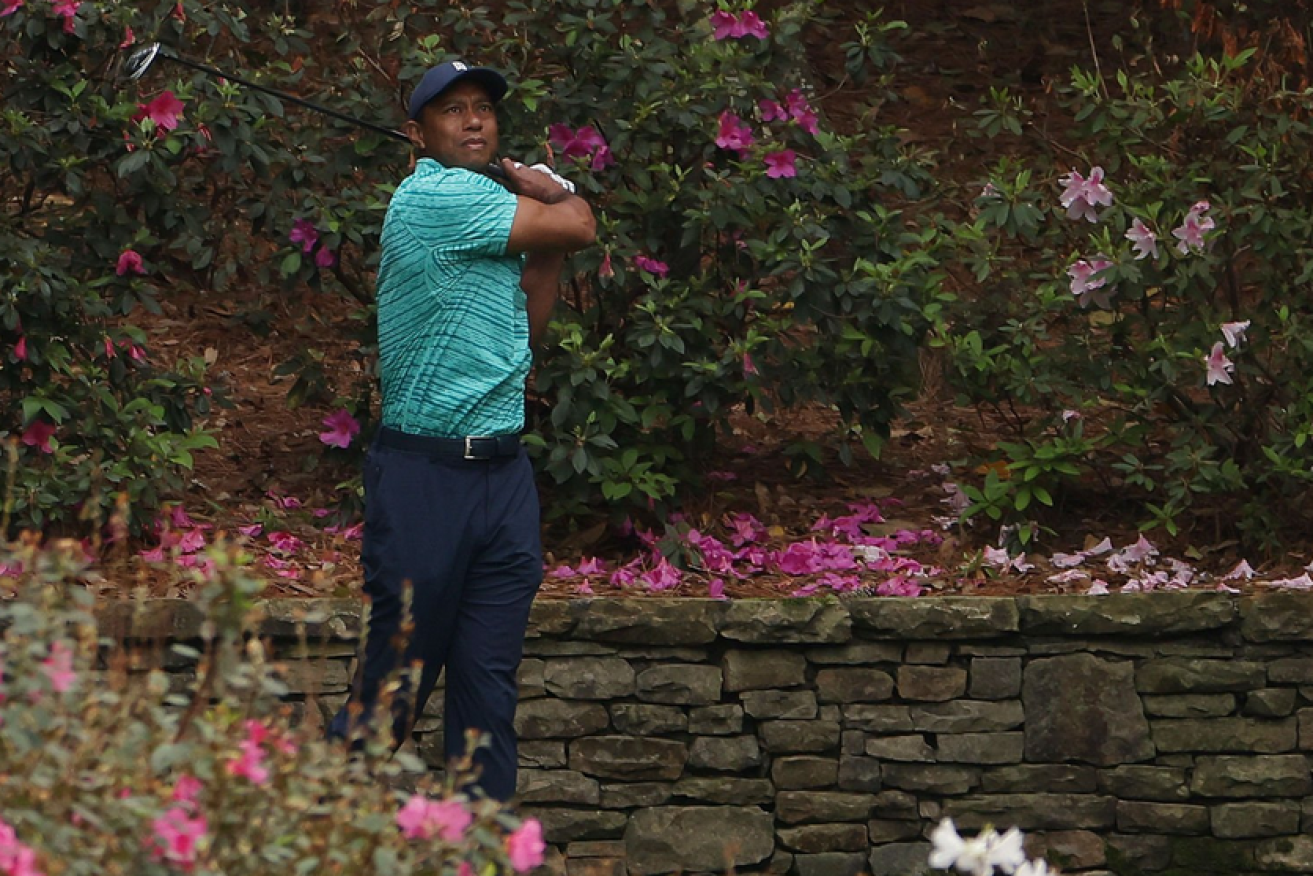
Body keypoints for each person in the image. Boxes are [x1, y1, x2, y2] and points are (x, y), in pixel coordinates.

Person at [328, 59, 596, 802]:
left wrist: (545, 234)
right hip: (426, 480)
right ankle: (306, 833)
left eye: (483, 108)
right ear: (417, 135)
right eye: (452, 111)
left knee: (486, 696)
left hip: (501, 478)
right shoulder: (436, 196)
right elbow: (579, 222)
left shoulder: (484, 214)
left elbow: (525, 331)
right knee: (394, 687)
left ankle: (480, 851)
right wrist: (556, 194)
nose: (474, 120)